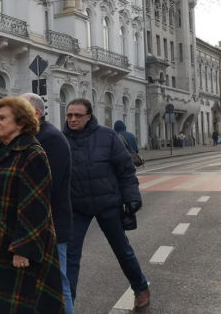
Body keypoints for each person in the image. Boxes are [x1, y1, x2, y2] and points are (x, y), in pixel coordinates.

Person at [0, 97, 64, 313]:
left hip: (15, 247)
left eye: (2, 118)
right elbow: (1, 189)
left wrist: (24, 249)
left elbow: (36, 205)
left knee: (19, 305)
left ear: (20, 122)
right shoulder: (2, 150)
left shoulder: (32, 153)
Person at [63, 98, 150, 308]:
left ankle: (140, 287)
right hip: (77, 206)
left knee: (122, 249)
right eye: (69, 115)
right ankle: (67, 303)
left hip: (107, 203)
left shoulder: (107, 136)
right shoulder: (61, 139)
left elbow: (126, 171)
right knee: (70, 258)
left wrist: (132, 198)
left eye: (78, 115)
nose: (72, 119)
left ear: (89, 117)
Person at [21, 93, 74, 314]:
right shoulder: (31, 136)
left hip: (52, 223)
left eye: (20, 110)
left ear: (36, 113)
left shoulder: (51, 138)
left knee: (58, 282)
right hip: (36, 222)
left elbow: (46, 185)